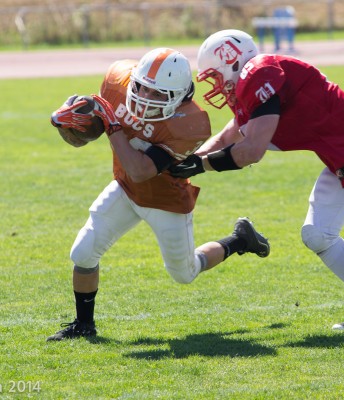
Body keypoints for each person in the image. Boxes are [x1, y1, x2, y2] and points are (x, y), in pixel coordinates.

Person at [169, 30, 344, 330]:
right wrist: (186, 162)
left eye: (215, 76)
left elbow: (251, 150)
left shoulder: (259, 71)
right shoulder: (252, 84)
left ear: (232, 61)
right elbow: (229, 136)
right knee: (317, 235)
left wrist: (198, 167)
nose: (215, 85)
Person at [47, 47, 270, 341]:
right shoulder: (118, 79)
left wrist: (112, 125)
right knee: (83, 252)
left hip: (165, 200)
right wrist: (79, 117)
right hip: (126, 188)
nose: (145, 98)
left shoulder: (191, 122)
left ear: (178, 95)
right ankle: (83, 325)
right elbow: (94, 122)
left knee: (185, 273)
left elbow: (142, 169)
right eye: (141, 88)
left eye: (157, 94)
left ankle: (239, 239)